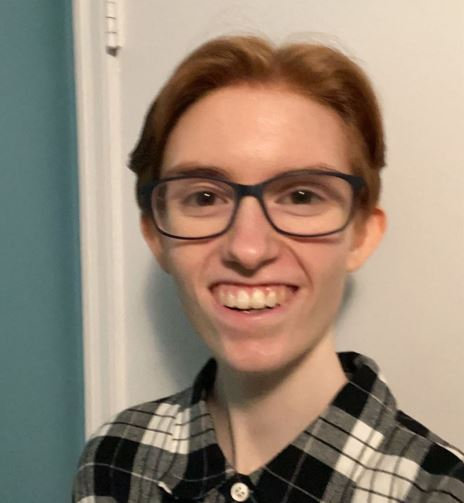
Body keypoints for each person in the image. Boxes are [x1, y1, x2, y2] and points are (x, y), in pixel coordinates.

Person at [73, 35, 464, 502]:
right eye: (204, 197)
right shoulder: (116, 457)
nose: (248, 248)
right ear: (157, 236)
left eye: (301, 196)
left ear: (361, 234)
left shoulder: (442, 491)